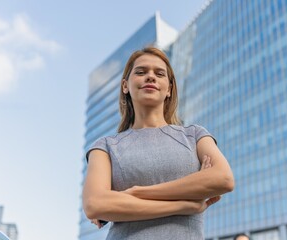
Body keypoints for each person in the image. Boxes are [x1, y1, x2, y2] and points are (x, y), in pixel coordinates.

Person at [82, 47, 234, 240]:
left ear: (169, 89)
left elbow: (223, 179)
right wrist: (184, 205)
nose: (150, 77)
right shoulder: (105, 146)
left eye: (159, 73)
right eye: (141, 72)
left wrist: (137, 192)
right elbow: (94, 204)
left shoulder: (194, 135)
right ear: (125, 86)